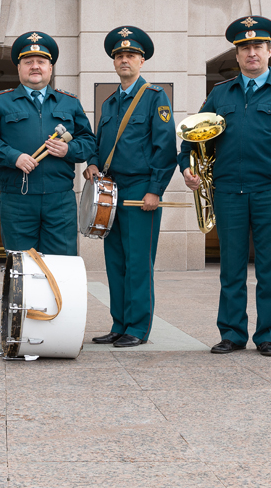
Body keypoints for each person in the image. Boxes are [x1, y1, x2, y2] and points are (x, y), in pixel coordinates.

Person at [179, 16, 271, 357]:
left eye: (257, 47)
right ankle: (232, 333)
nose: (251, 53)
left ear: (269, 52)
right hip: (228, 193)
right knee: (231, 268)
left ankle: (268, 335)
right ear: (237, 56)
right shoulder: (220, 94)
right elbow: (190, 138)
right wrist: (187, 170)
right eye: (244, 48)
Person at [83, 26, 177, 347]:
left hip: (140, 190)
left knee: (138, 262)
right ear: (114, 62)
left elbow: (165, 147)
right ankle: (119, 324)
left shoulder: (155, 97)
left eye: (131, 55)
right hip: (111, 189)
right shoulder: (110, 103)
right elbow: (99, 143)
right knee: (116, 261)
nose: (125, 60)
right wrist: (92, 163)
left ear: (142, 61)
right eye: (120, 56)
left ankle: (137, 328)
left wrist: (155, 189)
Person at [0, 31, 95, 257]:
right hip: (18, 199)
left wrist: (69, 149)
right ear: (19, 68)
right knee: (21, 267)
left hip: (59, 199)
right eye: (28, 62)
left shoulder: (70, 102)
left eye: (41, 62)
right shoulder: (0, 101)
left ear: (50, 68)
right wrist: (14, 157)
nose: (35, 66)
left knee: (61, 265)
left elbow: (88, 141)